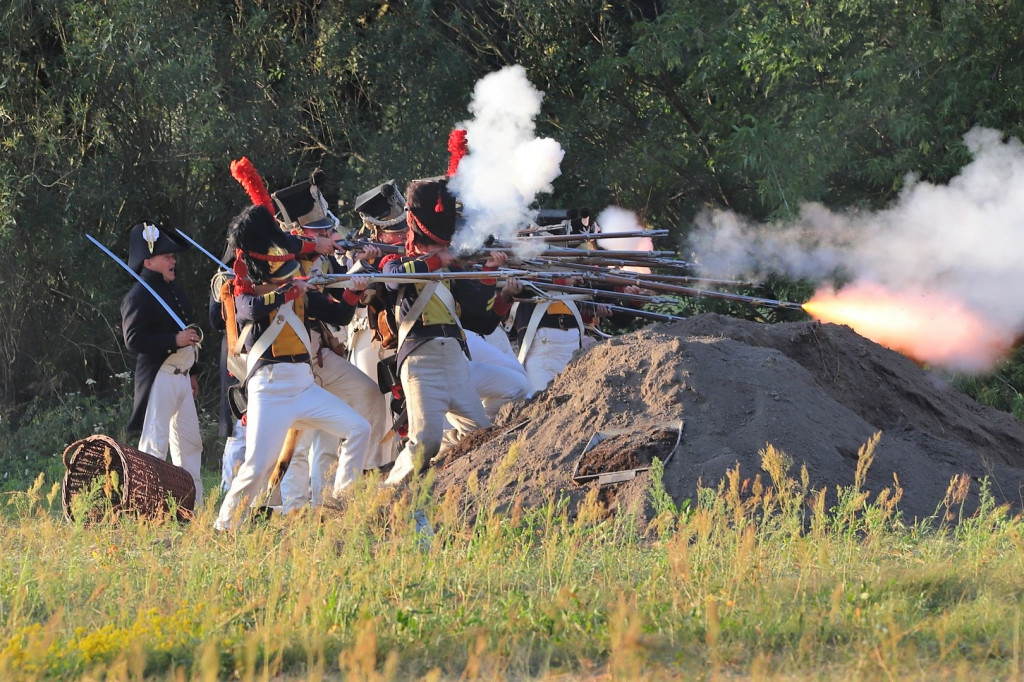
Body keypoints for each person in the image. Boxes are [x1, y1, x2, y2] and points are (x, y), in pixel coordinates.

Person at [213, 203, 372, 531]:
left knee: (359, 429)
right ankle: (223, 527)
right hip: (269, 389)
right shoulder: (244, 291)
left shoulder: (299, 294)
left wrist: (354, 294)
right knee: (258, 467)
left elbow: (340, 315)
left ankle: (340, 505)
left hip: (303, 385)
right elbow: (250, 312)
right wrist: (285, 293)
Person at [380, 177, 514, 485]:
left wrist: (491, 275)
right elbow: (392, 278)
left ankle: (439, 473)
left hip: (455, 360)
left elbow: (481, 320)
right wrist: (435, 261)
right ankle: (386, 495)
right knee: (424, 441)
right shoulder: (396, 260)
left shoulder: (453, 267)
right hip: (420, 361)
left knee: (479, 433)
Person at [269, 170, 389, 510]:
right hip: (287, 361)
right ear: (299, 234)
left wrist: (356, 281)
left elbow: (335, 311)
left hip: (321, 355)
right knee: (298, 440)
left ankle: (338, 499)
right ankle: (293, 507)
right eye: (322, 232)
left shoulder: (320, 261)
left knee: (367, 399)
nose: (331, 235)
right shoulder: (284, 263)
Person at [120, 221, 205, 505]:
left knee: (190, 445)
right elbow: (134, 341)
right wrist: (173, 340)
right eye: (167, 256)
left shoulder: (175, 291)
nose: (173, 260)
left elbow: (189, 335)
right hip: (161, 377)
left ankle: (192, 508)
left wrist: (192, 373)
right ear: (149, 261)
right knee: (155, 447)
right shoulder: (138, 295)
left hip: (181, 377)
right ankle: (145, 508)